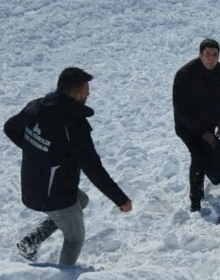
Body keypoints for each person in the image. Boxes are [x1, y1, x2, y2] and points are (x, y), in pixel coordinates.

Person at [3, 67, 132, 265]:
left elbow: (10, 127)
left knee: (81, 199)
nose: (88, 95)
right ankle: (62, 278)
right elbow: (93, 168)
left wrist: (38, 152)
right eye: (87, 92)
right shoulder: (73, 125)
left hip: (32, 186)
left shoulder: (36, 107)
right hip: (54, 196)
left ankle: (32, 241)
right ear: (76, 93)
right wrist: (120, 199)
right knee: (74, 239)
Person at [173, 38, 220, 212]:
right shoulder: (184, 74)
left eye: (215, 55)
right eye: (207, 55)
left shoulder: (218, 70)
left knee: (215, 154)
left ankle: (208, 178)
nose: (211, 58)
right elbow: (181, 110)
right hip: (187, 126)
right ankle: (195, 198)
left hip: (208, 122)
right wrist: (202, 131)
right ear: (200, 55)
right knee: (198, 155)